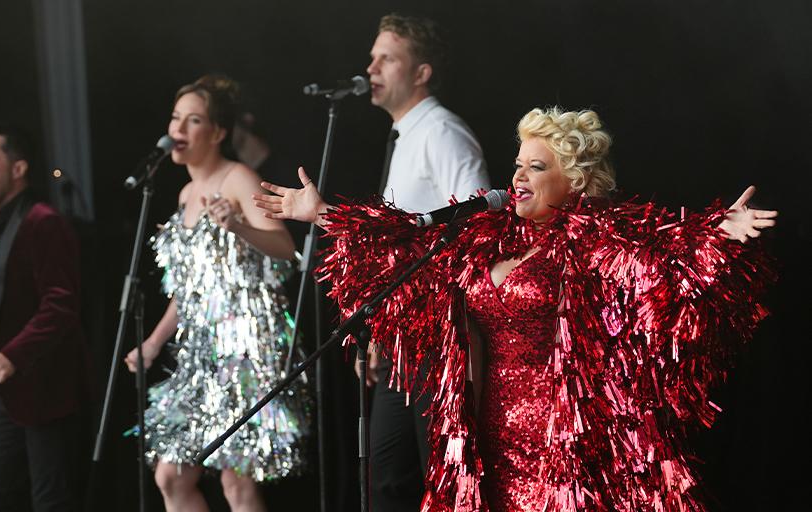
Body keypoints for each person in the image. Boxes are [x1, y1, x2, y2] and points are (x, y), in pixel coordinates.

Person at [253, 107, 777, 511]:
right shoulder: (486, 237)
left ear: (575, 181)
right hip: (488, 433)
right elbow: (407, 252)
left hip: (564, 439)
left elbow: (661, 257)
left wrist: (715, 235)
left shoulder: (598, 241)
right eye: (519, 162)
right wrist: (322, 214)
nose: (520, 174)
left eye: (538, 165)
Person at [124, 75, 309, 512]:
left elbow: (286, 249)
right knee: (170, 475)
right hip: (200, 355)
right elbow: (188, 289)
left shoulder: (238, 177)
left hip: (245, 351)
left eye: (193, 121)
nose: (180, 130)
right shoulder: (186, 193)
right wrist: (152, 342)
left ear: (218, 132)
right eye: (176, 119)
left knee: (236, 483)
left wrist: (239, 226)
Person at [358, 13, 491, 511]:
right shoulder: (405, 136)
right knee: (386, 479)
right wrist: (381, 328)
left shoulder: (442, 132)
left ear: (421, 72)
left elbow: (478, 225)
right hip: (401, 339)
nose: (371, 68)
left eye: (387, 58)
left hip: (437, 338)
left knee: (443, 478)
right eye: (372, 57)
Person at [0, 121, 89, 511]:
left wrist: (12, 354)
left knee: (50, 500)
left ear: (18, 168)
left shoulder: (42, 222)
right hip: (14, 390)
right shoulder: (4, 225)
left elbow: (61, 304)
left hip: (46, 386)